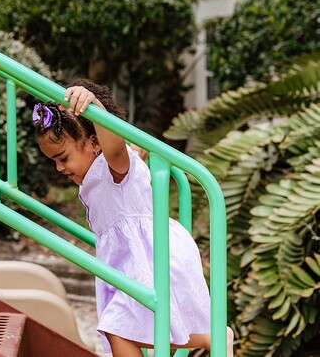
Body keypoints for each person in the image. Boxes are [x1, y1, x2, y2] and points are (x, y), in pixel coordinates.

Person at [32, 79, 233, 357]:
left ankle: (213, 338)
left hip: (151, 254)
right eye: (53, 160)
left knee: (119, 329)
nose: (59, 167)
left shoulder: (113, 166)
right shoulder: (101, 172)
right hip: (134, 259)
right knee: (136, 330)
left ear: (94, 143)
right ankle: (213, 338)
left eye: (63, 157)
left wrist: (94, 106)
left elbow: (114, 148)